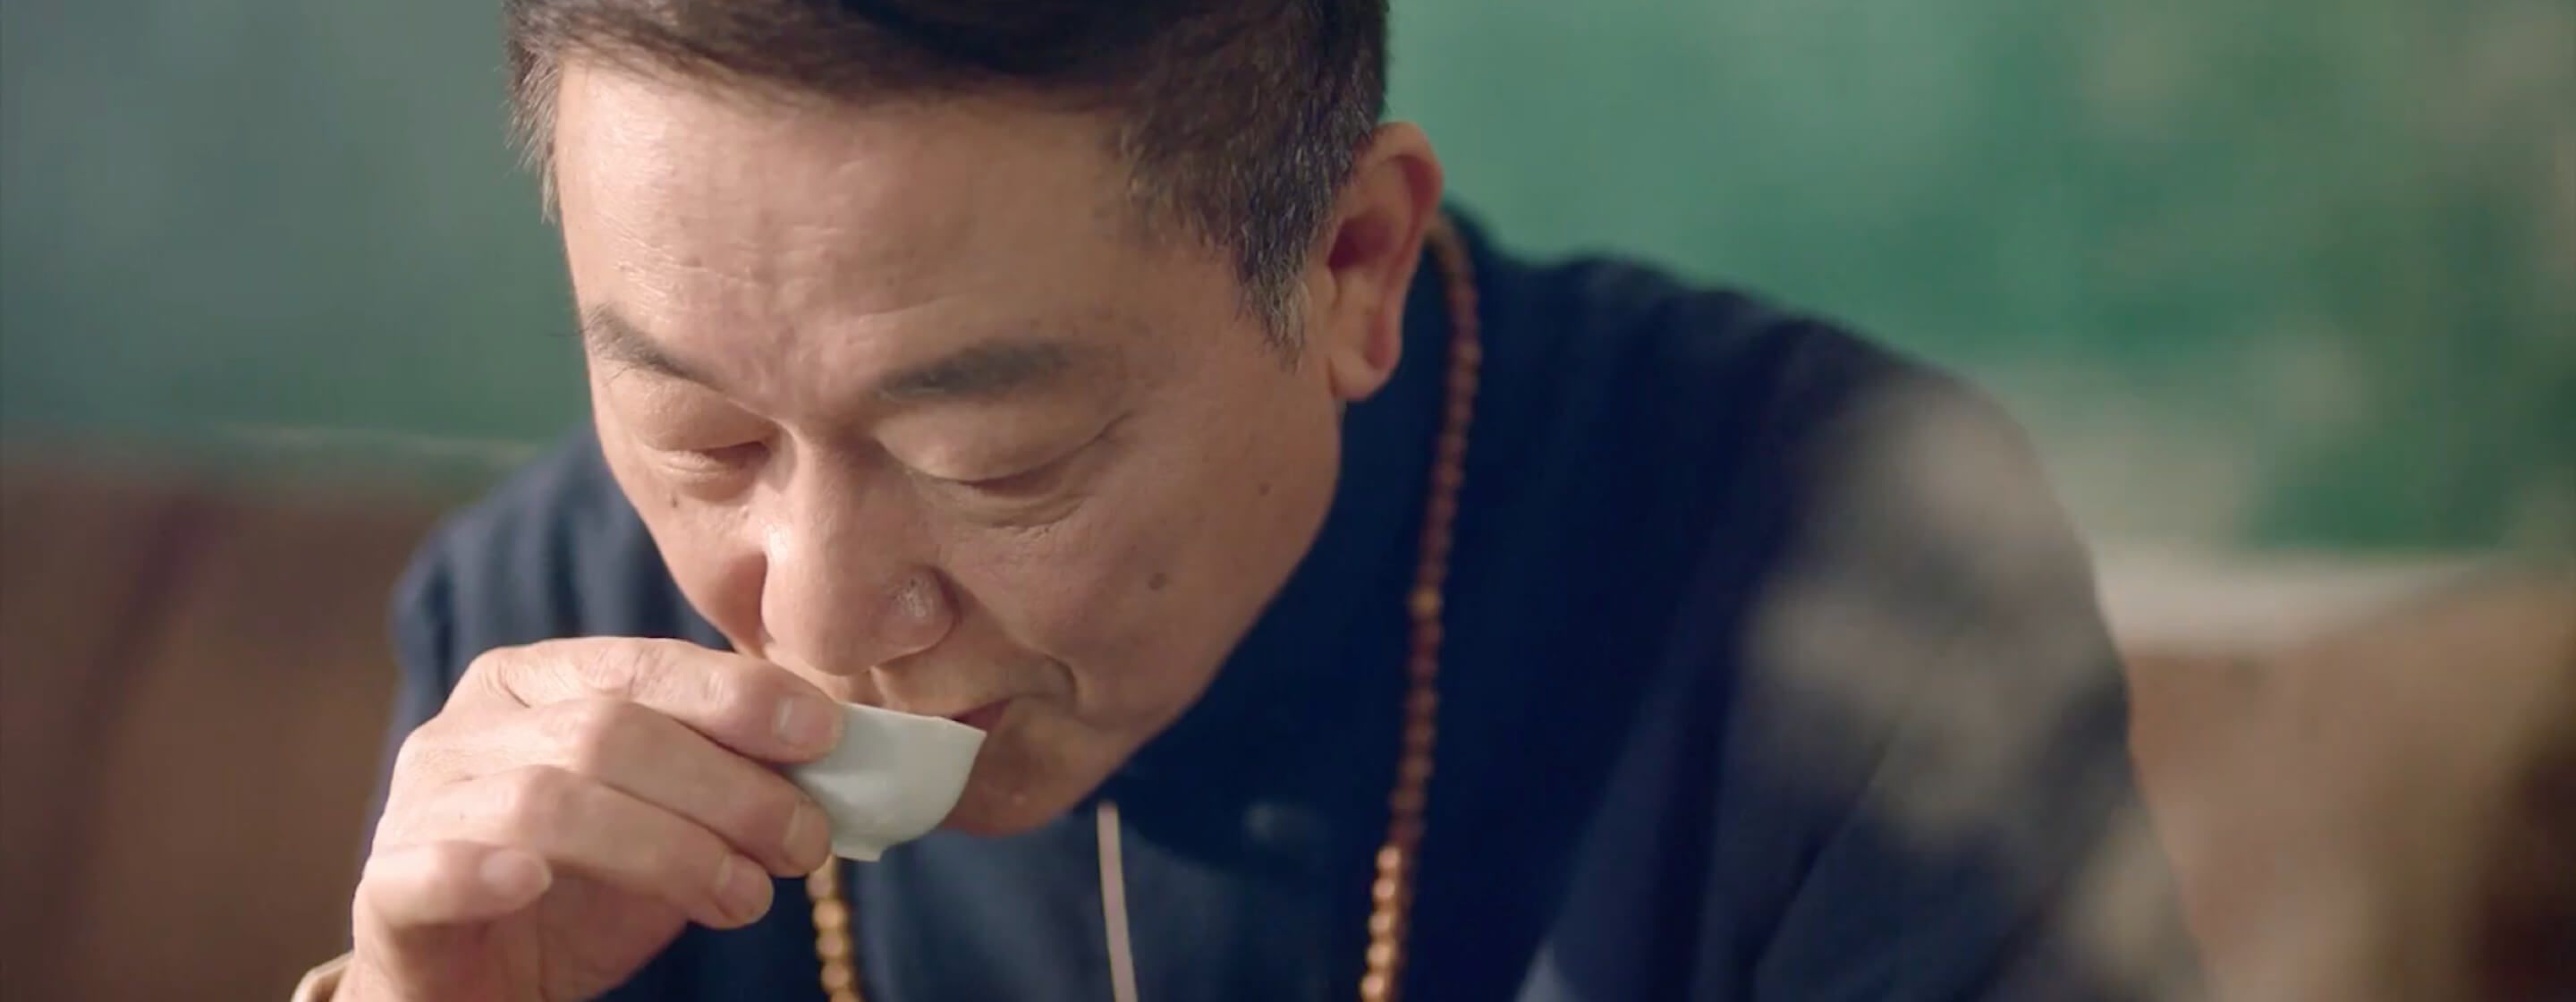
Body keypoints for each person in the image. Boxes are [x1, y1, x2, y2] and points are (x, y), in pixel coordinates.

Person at [301, 2, 2198, 998]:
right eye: (702, 434)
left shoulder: (1845, 583)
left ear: (1352, 263)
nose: (808, 610)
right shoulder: (536, 616)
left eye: (993, 461)